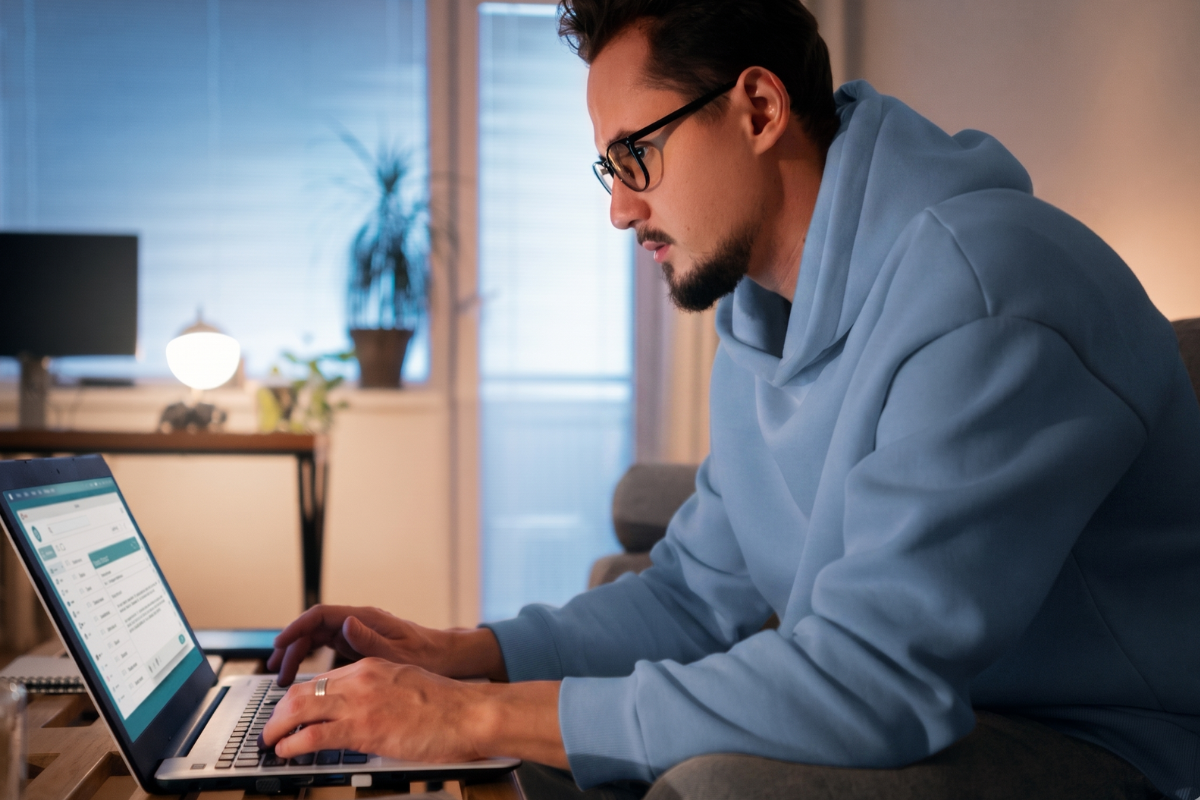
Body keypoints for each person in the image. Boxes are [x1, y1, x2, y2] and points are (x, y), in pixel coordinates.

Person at [262, 1, 1200, 798]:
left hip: (1110, 744)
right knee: (533, 760)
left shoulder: (987, 293)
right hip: (946, 705)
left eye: (638, 153)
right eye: (609, 167)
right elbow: (687, 597)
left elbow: (874, 678)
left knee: (708, 785)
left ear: (757, 107)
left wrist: (470, 714)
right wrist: (465, 656)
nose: (621, 209)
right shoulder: (761, 313)